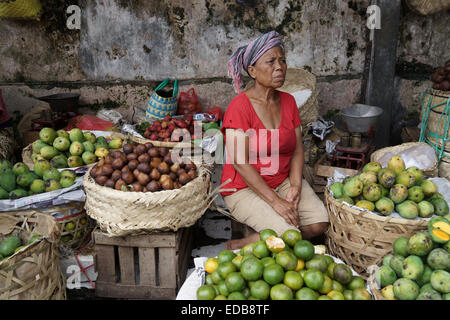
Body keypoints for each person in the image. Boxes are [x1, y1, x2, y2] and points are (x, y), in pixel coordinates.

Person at [220, 31, 329, 250]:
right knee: (290, 235)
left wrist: (296, 185)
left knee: (320, 223)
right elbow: (240, 162)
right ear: (252, 70)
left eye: (282, 61)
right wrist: (276, 202)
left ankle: (263, 238)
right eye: (270, 61)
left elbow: (297, 149)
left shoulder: (288, 102)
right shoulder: (239, 106)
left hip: (281, 180)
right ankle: (238, 244)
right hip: (243, 188)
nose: (279, 67)